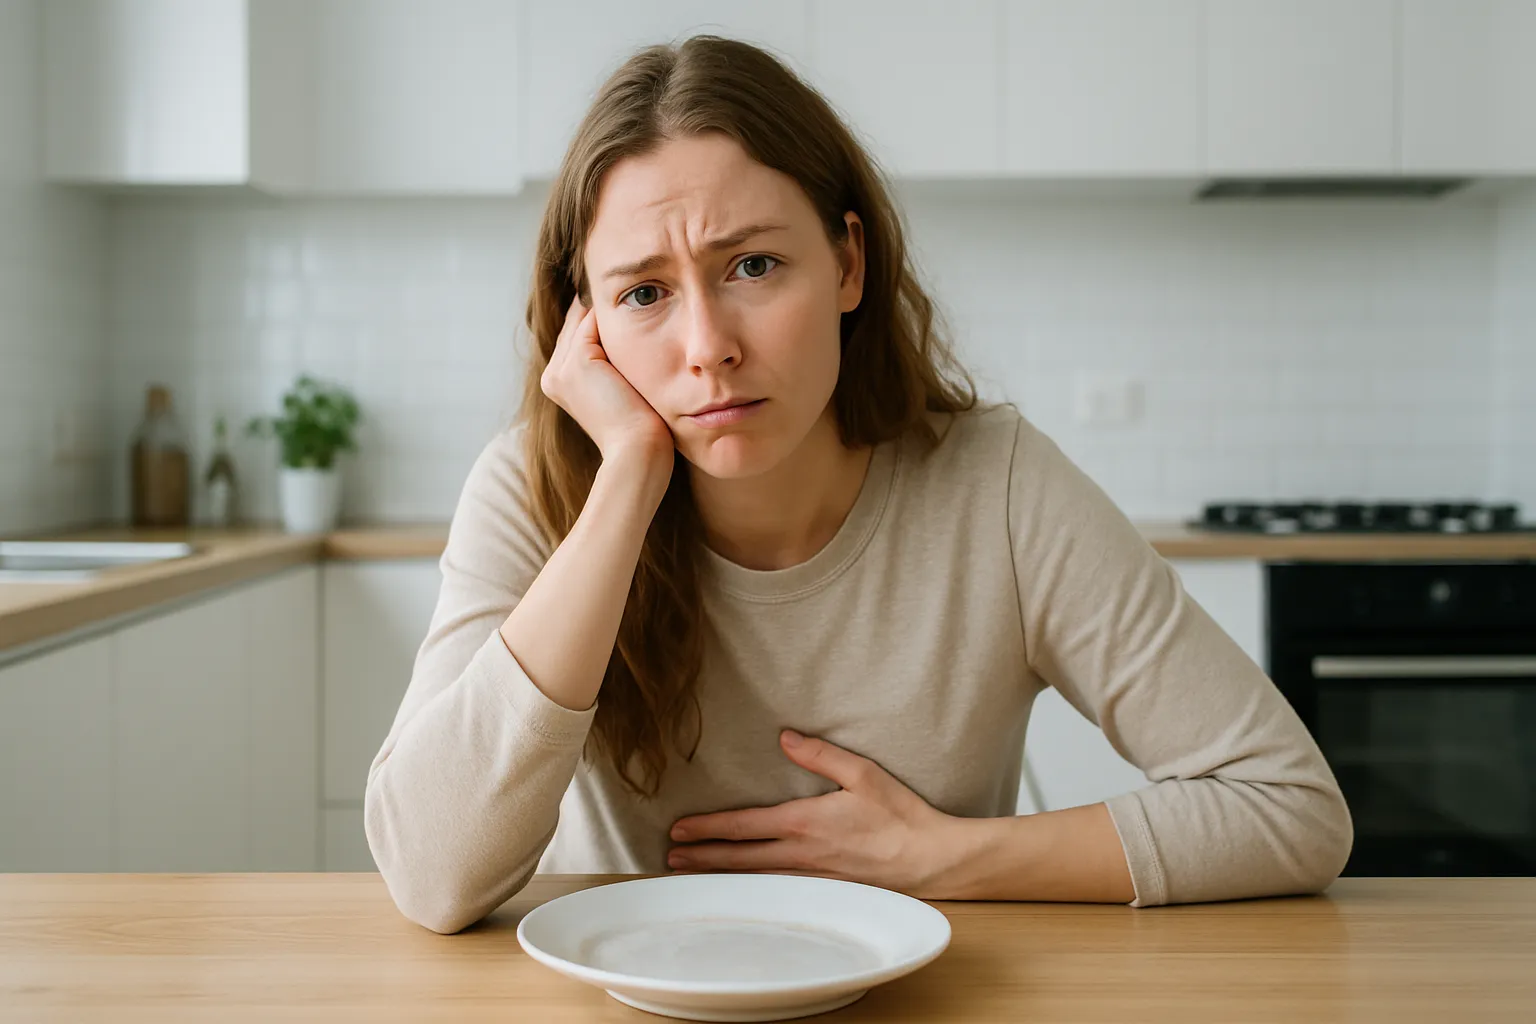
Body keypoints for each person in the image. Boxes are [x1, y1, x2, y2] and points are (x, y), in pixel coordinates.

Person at [364, 36, 1352, 935]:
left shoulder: (996, 488)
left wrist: (946, 856)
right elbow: (431, 876)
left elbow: (1289, 805)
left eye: (752, 264)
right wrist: (626, 481)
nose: (708, 347)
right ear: (588, 328)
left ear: (847, 262)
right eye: (644, 294)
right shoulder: (532, 490)